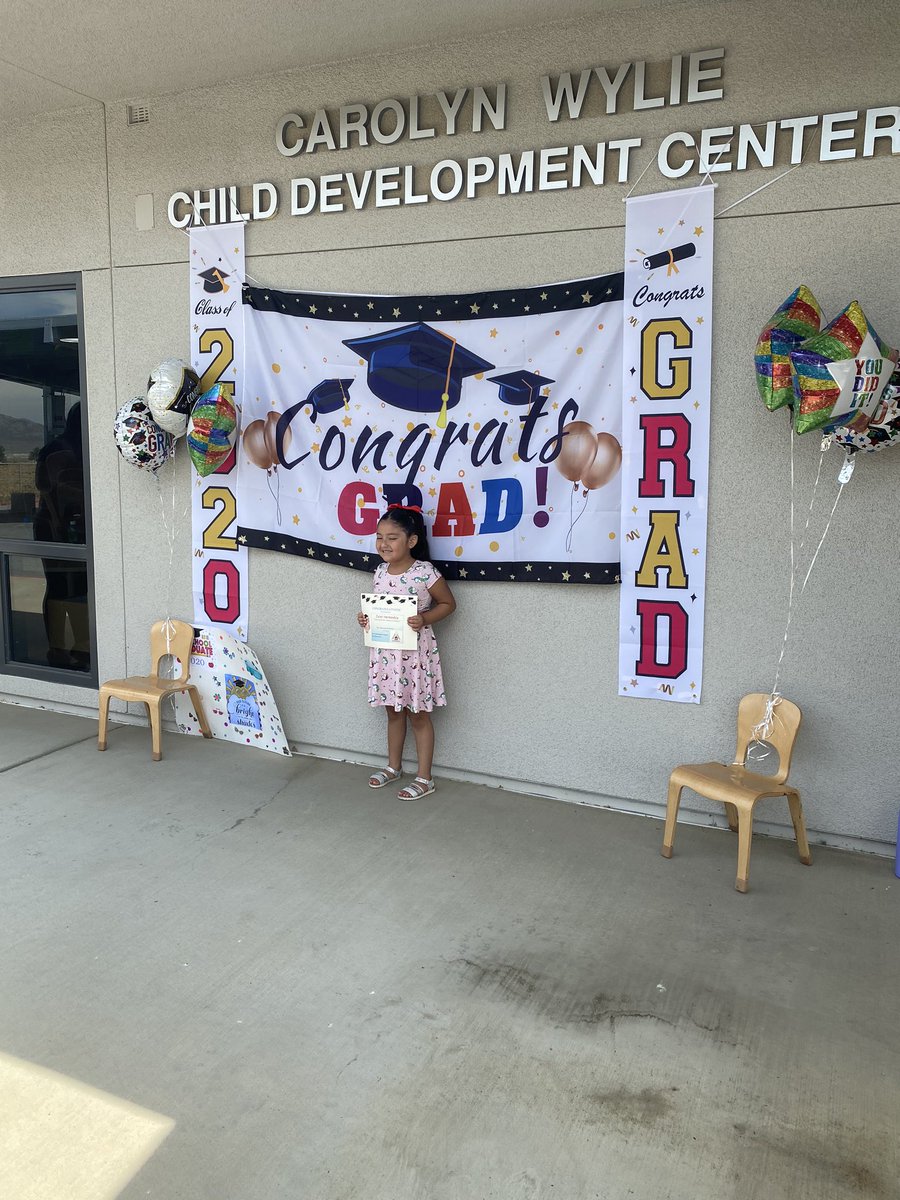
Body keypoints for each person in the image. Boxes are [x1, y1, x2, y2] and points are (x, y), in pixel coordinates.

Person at [357, 504, 456, 800]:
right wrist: (365, 618)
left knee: (419, 715)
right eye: (379, 537)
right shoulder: (379, 571)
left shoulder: (424, 572)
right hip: (387, 654)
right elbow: (378, 606)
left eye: (392, 538)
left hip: (415, 657)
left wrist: (424, 618)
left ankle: (425, 777)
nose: (383, 544)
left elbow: (448, 604)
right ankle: (393, 767)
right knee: (393, 711)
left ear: (411, 541)